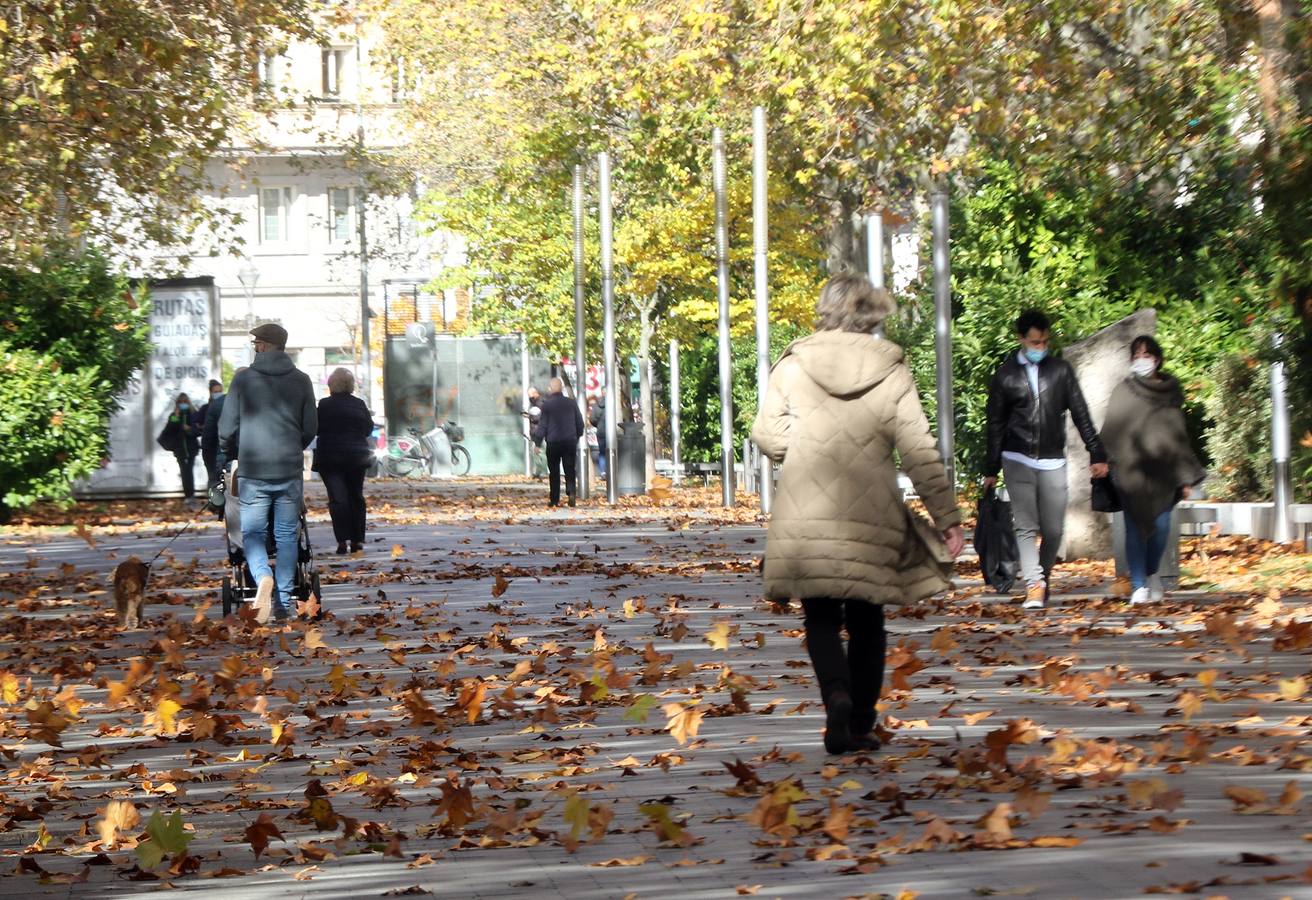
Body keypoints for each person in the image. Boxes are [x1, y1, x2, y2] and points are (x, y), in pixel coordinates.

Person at [752, 274, 964, 755]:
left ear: (825, 307)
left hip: (807, 506)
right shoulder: (891, 368)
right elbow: (917, 447)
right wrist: (947, 516)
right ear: (871, 311)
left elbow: (766, 433)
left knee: (821, 617)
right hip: (873, 507)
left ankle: (837, 697)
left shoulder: (795, 362)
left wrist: (803, 446)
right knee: (868, 619)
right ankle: (863, 722)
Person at [983, 309, 1108, 610]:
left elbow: (1080, 414)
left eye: (1045, 342)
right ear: (1021, 339)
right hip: (1017, 457)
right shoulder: (1005, 376)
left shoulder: (1061, 371)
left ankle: (1041, 576)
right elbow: (995, 424)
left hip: (1053, 458)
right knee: (1026, 525)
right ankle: (1034, 584)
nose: (1040, 347)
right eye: (1035, 342)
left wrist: (1097, 452)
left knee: (1054, 531)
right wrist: (990, 468)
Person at [218, 323, 317, 624]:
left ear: (262, 346)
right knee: (288, 536)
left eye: (255, 344)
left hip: (253, 469)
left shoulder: (243, 379)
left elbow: (226, 428)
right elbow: (310, 428)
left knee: (252, 534)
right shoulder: (302, 380)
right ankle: (284, 603)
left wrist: (231, 448)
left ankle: (262, 576)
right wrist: (291, 447)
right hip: (288, 469)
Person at [1099, 336, 1205, 605]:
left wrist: (1185, 476)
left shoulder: (1170, 392)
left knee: (1160, 528)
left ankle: (1152, 573)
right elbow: (1111, 430)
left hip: (1164, 472)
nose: (1141, 360)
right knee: (1134, 529)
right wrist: (1102, 460)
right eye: (1136, 355)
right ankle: (1138, 586)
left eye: (1146, 354)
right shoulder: (1124, 390)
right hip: (1130, 471)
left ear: (1157, 358)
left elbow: (1177, 435)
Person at [315, 367, 374, 554]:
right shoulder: (359, 404)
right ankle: (358, 540)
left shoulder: (324, 405)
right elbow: (368, 428)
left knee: (337, 498)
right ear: (351, 385)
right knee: (356, 496)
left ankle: (342, 540)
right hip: (356, 457)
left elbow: (315, 428)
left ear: (331, 384)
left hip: (330, 458)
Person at [533, 377, 585, 507]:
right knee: (570, 469)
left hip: (553, 443)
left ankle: (554, 499)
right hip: (569, 442)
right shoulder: (571, 403)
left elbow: (543, 425)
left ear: (550, 389)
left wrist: (537, 443)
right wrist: (577, 436)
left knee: (554, 472)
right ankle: (571, 492)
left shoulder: (547, 405)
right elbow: (580, 423)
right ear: (561, 388)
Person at [159, 394, 201, 499]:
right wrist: (176, 418)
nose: (183, 404)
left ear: (188, 403)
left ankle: (191, 495)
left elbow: (198, 431)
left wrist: (189, 429)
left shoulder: (194, 414)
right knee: (184, 471)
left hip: (191, 448)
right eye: (180, 402)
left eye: (185, 402)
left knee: (189, 471)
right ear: (177, 404)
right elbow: (168, 431)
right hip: (179, 449)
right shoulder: (173, 416)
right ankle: (188, 495)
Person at [200, 379, 225, 487]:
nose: (218, 394)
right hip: (216, 451)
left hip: (221, 451)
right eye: (215, 392)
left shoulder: (224, 404)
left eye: (220, 391)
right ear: (210, 392)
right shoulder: (206, 408)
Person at [590, 390, 608, 479]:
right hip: (611, 431)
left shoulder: (596, 405)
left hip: (600, 431)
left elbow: (592, 419)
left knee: (602, 452)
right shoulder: (614, 404)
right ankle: (612, 470)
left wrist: (598, 425)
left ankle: (603, 471)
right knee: (613, 451)